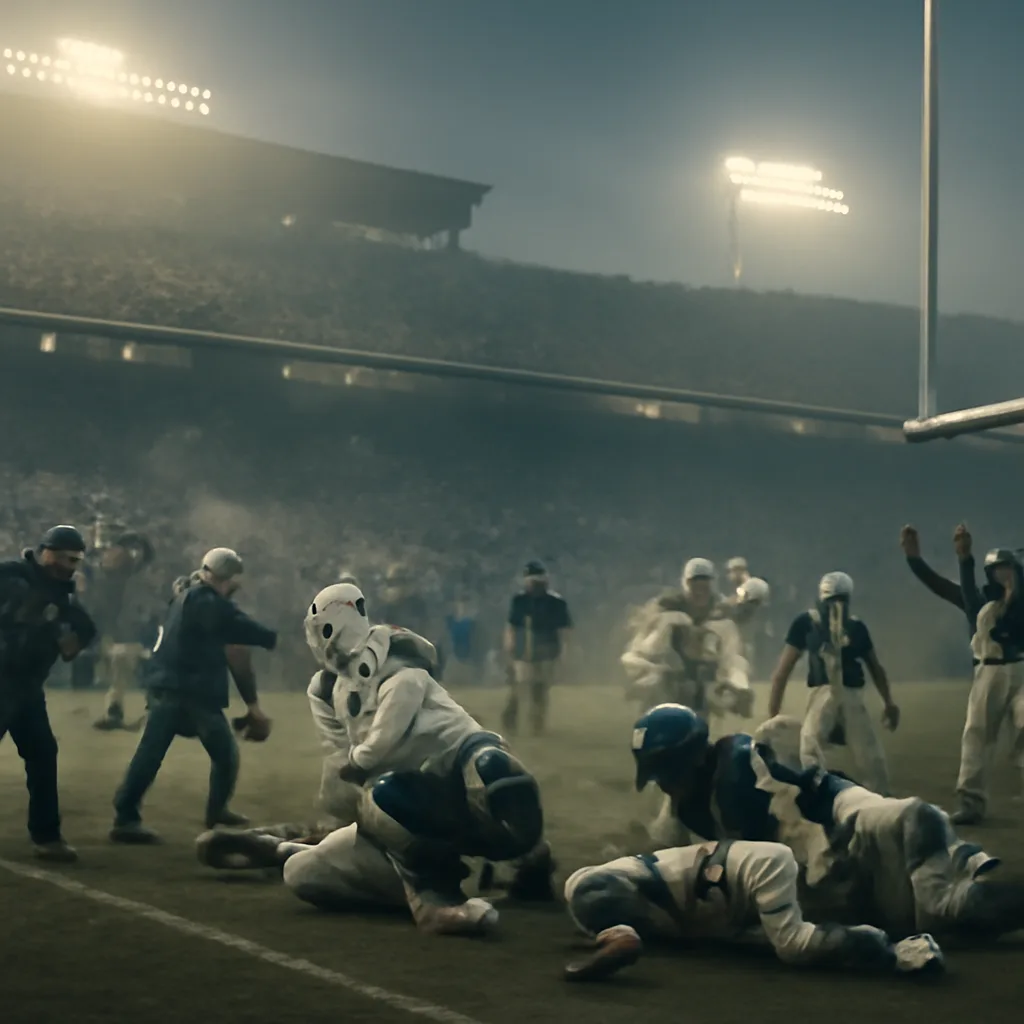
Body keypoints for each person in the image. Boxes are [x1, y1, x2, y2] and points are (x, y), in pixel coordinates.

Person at [201, 582, 555, 936]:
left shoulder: (397, 668)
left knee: (491, 772)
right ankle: (287, 850)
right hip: (398, 808)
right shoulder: (327, 689)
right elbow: (342, 767)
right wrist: (347, 799)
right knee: (303, 872)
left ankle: (456, 890)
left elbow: (374, 744)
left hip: (450, 776)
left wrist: (357, 766)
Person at [629, 703, 1024, 943]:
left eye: (667, 772)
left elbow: (775, 842)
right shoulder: (691, 802)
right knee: (923, 913)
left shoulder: (736, 769)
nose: (664, 784)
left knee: (934, 885)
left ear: (695, 757)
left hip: (846, 825)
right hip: (837, 864)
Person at [562, 840, 944, 982]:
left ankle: (899, 950)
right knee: (769, 941)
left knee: (792, 946)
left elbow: (625, 930)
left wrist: (605, 947)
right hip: (742, 880)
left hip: (753, 869)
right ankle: (879, 937)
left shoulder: (591, 887)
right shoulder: (622, 879)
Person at [109, 548, 276, 844]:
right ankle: (127, 817)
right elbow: (239, 626)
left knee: (156, 753)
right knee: (216, 754)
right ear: (228, 578)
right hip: (186, 690)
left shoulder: (190, 595)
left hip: (174, 686)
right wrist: (271, 637)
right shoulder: (207, 601)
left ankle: (211, 811)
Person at [0, 526, 97, 861]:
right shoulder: (9, 575)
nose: (70, 566)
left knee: (43, 754)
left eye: (76, 560)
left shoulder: (64, 596)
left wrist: (62, 635)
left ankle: (46, 835)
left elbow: (84, 631)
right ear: (46, 551)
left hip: (27, 688)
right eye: (66, 557)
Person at [767, 572, 898, 795]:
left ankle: (817, 797)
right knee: (866, 758)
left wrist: (774, 714)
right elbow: (876, 669)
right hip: (840, 694)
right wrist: (888, 702)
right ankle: (877, 803)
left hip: (833, 695)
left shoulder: (812, 623)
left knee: (812, 749)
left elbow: (782, 672)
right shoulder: (849, 626)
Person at [622, 558, 758, 721]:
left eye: (704, 584)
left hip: (701, 677)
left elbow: (731, 657)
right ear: (687, 584)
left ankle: (735, 691)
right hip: (667, 674)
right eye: (695, 584)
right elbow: (644, 649)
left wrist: (738, 686)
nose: (700, 590)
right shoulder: (670, 610)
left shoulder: (720, 614)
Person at [951, 546, 1024, 824]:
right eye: (996, 570)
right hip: (988, 673)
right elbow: (968, 595)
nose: (1002, 574)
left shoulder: (1021, 603)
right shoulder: (984, 602)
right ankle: (971, 802)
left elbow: (1012, 630)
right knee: (977, 735)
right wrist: (964, 558)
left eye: (1006, 568)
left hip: (1020, 670)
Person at [90, 528, 155, 731]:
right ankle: (115, 713)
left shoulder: (127, 575)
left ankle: (119, 714)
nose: (110, 557)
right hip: (117, 634)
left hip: (130, 635)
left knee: (127, 677)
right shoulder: (105, 577)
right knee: (119, 679)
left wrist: (134, 539)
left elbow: (147, 555)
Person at [502, 561, 572, 735]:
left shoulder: (556, 602)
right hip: (523, 651)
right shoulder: (519, 600)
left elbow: (564, 630)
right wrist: (509, 645)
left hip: (547, 652)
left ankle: (537, 722)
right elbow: (511, 626)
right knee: (518, 687)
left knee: (540, 688)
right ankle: (511, 719)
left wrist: (564, 651)